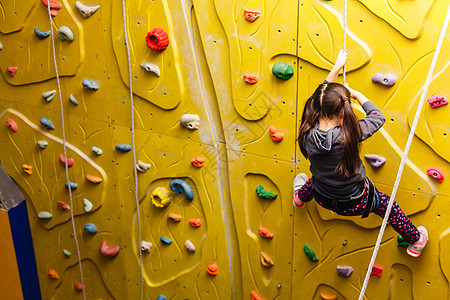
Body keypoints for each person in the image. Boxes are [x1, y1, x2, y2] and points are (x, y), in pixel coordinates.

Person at [293, 50, 428, 257]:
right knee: (388, 206)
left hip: (322, 196)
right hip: (355, 203)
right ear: (344, 110)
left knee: (315, 180)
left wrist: (336, 67)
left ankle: (299, 199)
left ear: (318, 107)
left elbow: (319, 96)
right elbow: (377, 117)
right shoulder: (350, 133)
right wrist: (357, 95)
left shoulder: (307, 128)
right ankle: (416, 240)